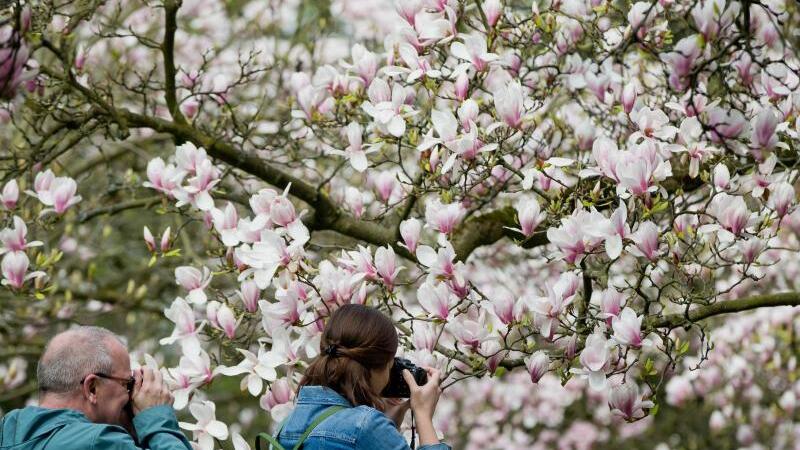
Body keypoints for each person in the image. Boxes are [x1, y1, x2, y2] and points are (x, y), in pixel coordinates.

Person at [270, 304, 451, 450]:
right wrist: (422, 414)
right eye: (390, 365)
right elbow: (358, 434)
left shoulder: (285, 427)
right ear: (376, 367)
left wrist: (388, 426)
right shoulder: (365, 426)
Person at [0, 326, 192, 450]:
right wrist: (157, 421)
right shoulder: (100, 442)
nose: (130, 395)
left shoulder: (6, 434)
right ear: (92, 388)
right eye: (127, 384)